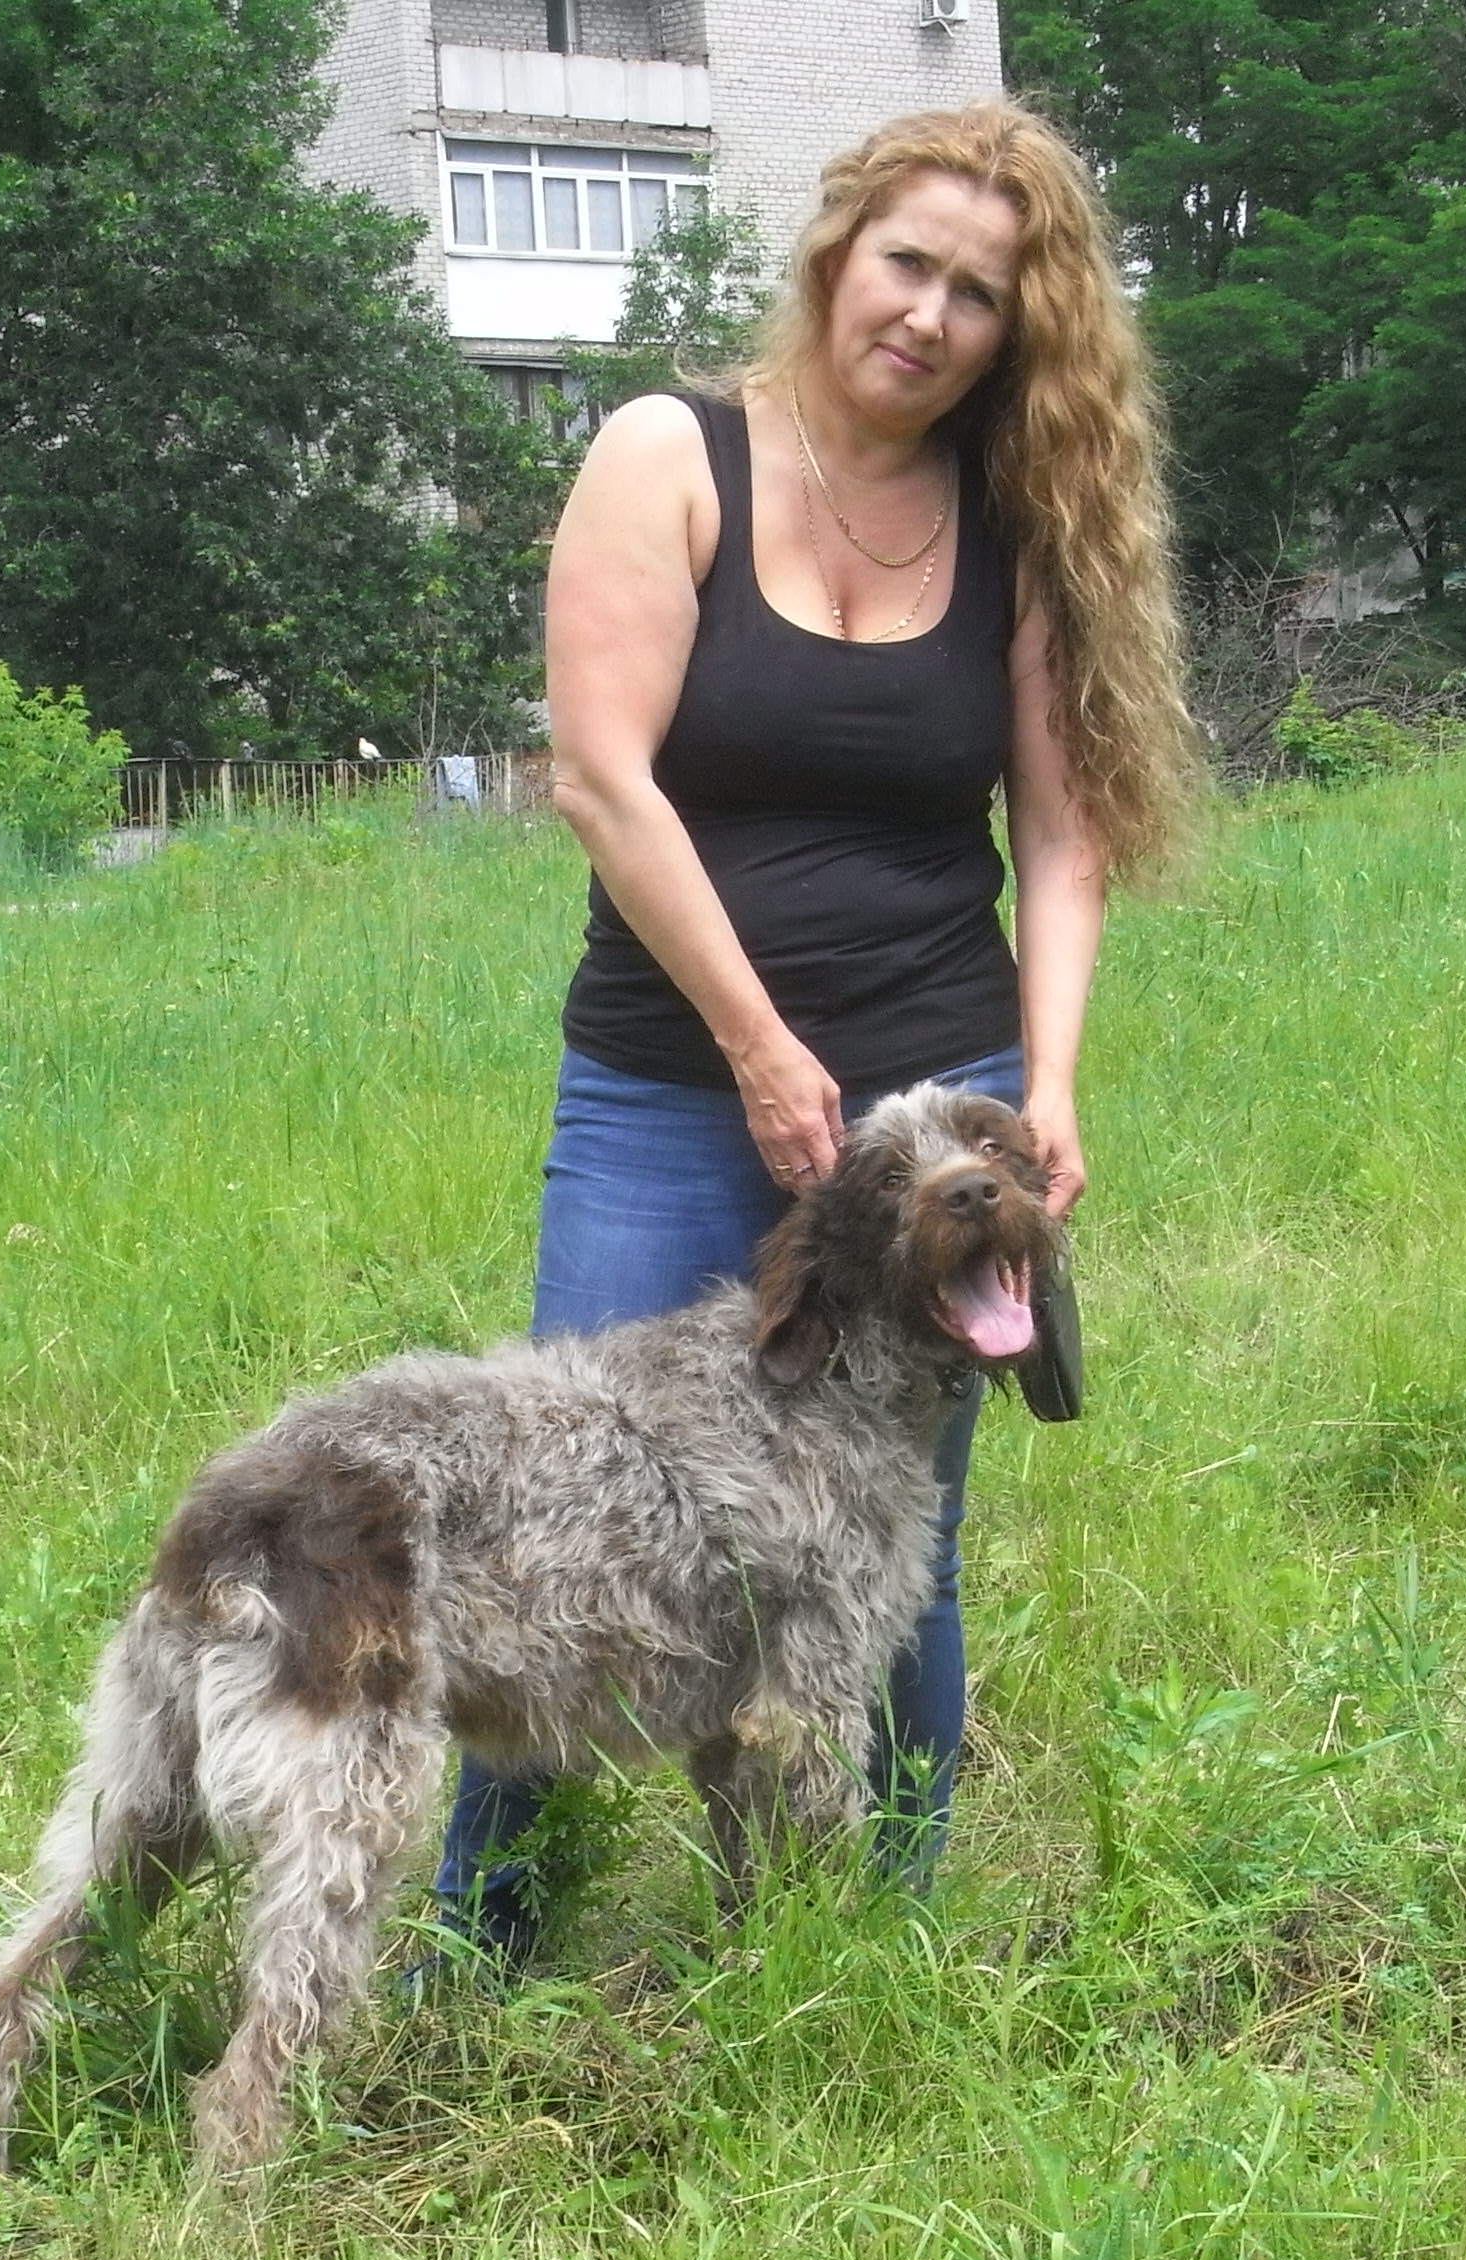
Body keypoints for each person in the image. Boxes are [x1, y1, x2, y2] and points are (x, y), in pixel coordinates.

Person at [432, 97, 1201, 1958]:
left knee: (888, 1534)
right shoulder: (668, 454)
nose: (932, 316)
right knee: (561, 1510)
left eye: (984, 295)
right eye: (909, 264)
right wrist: (771, 1054)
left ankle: (881, 1929)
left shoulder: (1011, 528)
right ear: (836, 252)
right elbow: (605, 782)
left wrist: (1056, 1087)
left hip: (944, 1099)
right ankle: (488, 1937)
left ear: (1022, 335)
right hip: (672, 1082)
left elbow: (1067, 829)